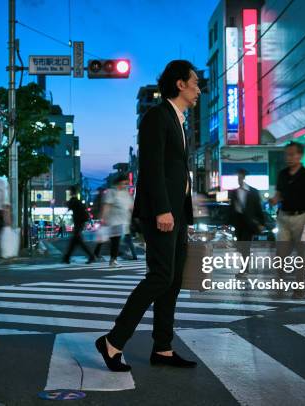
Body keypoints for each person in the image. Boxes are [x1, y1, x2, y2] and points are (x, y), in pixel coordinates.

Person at [95, 60, 200, 372]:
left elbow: (176, 170)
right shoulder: (157, 116)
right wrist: (164, 209)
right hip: (161, 211)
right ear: (179, 84)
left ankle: (163, 348)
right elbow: (151, 167)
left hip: (178, 212)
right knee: (160, 277)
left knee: (173, 280)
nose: (198, 89)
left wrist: (182, 213)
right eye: (194, 83)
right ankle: (113, 341)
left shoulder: (179, 121)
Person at [269, 141, 305, 299]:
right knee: (280, 255)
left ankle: (299, 290)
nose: (288, 158)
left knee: (304, 255)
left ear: (300, 155)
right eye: (287, 154)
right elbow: (278, 194)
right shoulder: (282, 174)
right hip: (284, 217)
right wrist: (273, 200)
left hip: (304, 217)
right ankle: (280, 287)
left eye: (292, 154)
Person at [228, 168, 264, 275]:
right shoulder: (234, 192)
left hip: (249, 223)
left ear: (244, 178)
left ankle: (244, 269)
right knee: (240, 246)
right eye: (237, 177)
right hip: (238, 223)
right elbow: (231, 209)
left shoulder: (253, 192)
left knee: (245, 246)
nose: (239, 179)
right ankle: (245, 266)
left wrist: (262, 223)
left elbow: (258, 208)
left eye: (240, 177)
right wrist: (227, 222)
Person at [93, 174, 134, 267]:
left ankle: (98, 255)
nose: (125, 185)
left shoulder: (126, 194)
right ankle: (113, 260)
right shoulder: (111, 192)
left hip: (123, 222)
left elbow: (131, 207)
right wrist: (103, 218)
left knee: (111, 240)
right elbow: (107, 206)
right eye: (124, 183)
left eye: (126, 183)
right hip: (113, 221)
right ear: (118, 182)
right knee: (115, 240)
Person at [63, 186, 95, 264]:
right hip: (80, 222)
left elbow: (68, 205)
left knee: (77, 240)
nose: (69, 193)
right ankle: (67, 257)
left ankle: (91, 256)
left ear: (72, 192)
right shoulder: (77, 200)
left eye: (70, 191)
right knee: (76, 241)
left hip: (79, 222)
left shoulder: (74, 200)